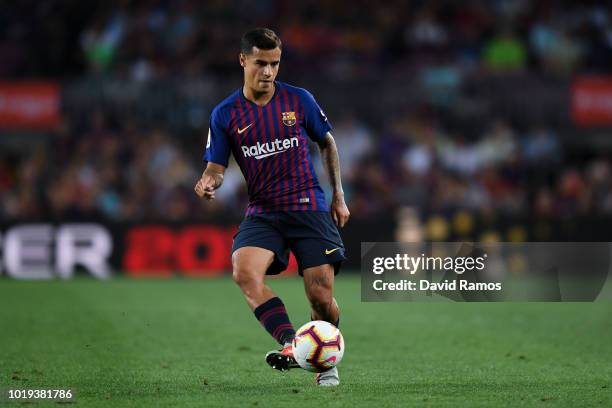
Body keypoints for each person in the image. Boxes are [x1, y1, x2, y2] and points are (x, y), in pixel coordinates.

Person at [194, 28, 349, 386]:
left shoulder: (299, 100)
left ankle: (326, 361)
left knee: (321, 295)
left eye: (275, 64)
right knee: (244, 272)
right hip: (264, 210)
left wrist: (338, 195)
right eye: (261, 63)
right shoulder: (225, 114)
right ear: (243, 60)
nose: (268, 71)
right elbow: (216, 168)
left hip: (308, 206)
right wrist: (207, 182)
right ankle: (294, 344)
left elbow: (327, 144)